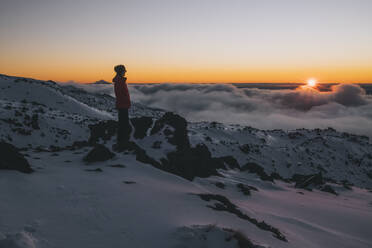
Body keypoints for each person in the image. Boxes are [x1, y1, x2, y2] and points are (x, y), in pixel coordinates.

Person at [113, 64, 132, 150]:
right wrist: (125, 102)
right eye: (124, 70)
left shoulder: (119, 80)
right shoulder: (120, 81)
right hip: (123, 105)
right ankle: (122, 143)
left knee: (123, 123)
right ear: (121, 71)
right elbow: (121, 94)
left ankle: (122, 141)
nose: (125, 72)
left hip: (123, 104)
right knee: (123, 124)